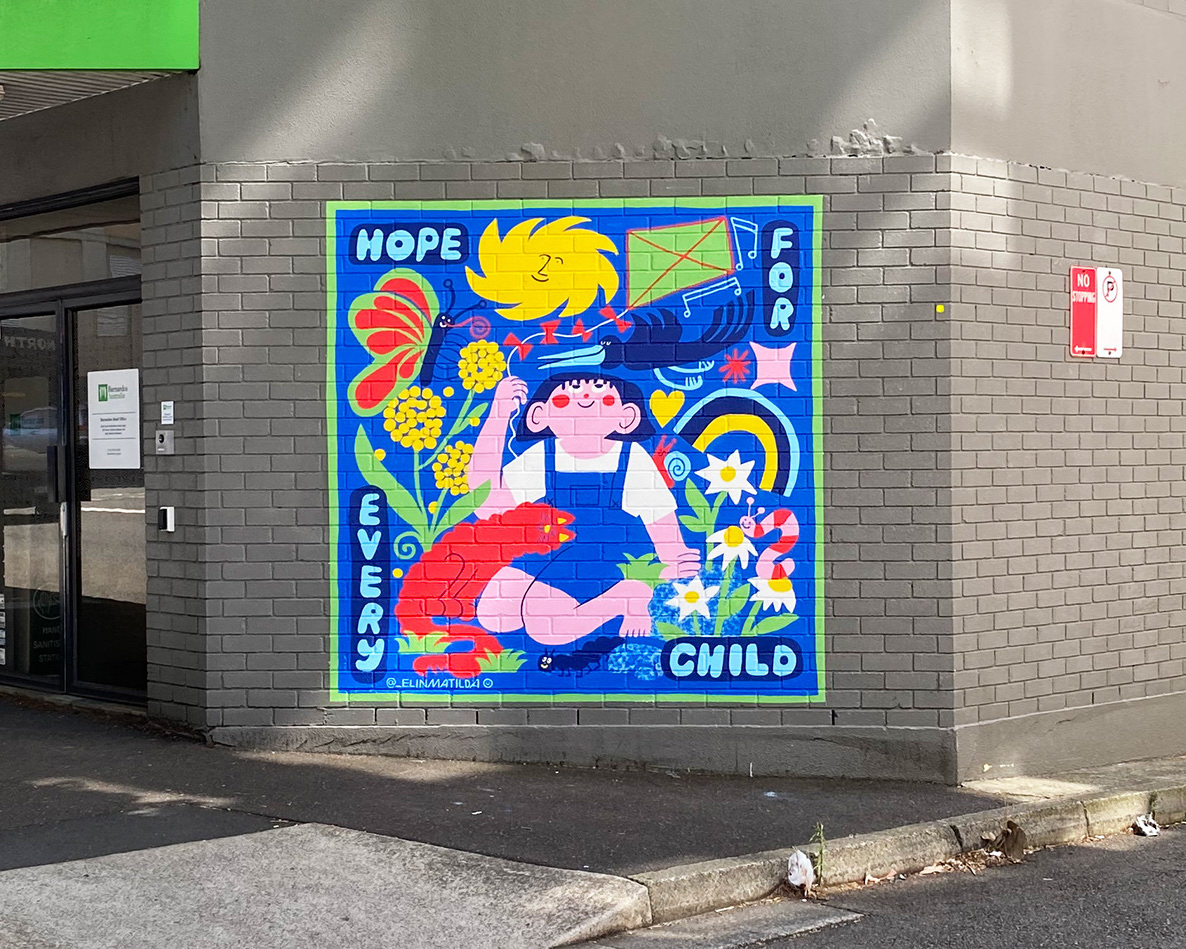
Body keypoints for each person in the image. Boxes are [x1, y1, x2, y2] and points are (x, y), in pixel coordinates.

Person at [468, 373, 700, 645]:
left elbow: (660, 521)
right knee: (493, 614)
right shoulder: (543, 454)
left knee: (545, 627)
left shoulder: (632, 458)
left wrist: (674, 558)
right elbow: (488, 505)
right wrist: (498, 414)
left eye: (604, 396)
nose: (586, 398)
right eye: (565, 398)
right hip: (546, 551)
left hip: (598, 560)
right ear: (539, 415)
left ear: (626, 417)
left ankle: (624, 596)